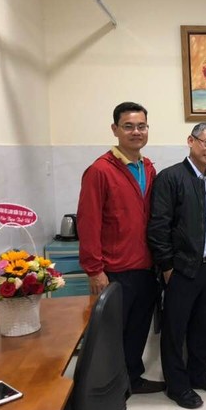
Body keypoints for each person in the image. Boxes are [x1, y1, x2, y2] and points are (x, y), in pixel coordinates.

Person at [77, 101, 164, 394]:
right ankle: (105, 389)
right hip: (114, 271)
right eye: (128, 126)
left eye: (141, 126)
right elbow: (88, 223)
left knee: (138, 330)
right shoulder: (100, 171)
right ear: (115, 129)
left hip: (145, 268)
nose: (136, 132)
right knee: (110, 334)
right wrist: (94, 270)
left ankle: (131, 380)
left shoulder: (148, 168)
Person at [147, 122, 206, 409]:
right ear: (191, 141)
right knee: (175, 330)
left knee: (204, 327)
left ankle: (199, 375)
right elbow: (158, 227)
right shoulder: (170, 178)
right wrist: (167, 266)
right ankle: (177, 386)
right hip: (182, 268)